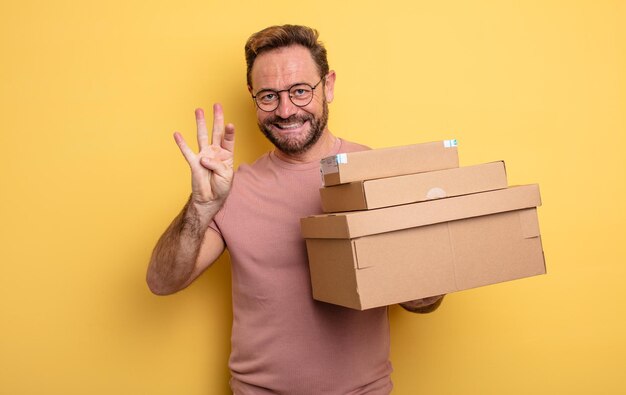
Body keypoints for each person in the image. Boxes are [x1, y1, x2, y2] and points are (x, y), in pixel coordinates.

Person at [147, 24, 444, 394]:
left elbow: (421, 304)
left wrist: (429, 276)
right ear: (252, 96)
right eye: (269, 96)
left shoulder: (376, 173)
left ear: (329, 86)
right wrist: (201, 206)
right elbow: (162, 282)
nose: (286, 110)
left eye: (300, 91)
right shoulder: (230, 189)